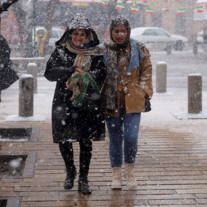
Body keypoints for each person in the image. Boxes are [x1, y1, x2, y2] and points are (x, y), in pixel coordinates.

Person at [44, 13, 106, 195]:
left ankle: (84, 179)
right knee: (64, 139)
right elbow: (49, 73)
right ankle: (70, 171)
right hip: (64, 101)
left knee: (85, 141)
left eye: (82, 34)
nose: (78, 38)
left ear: (88, 36)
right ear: (69, 34)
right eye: (75, 34)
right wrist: (70, 71)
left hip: (87, 102)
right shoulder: (61, 51)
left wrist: (87, 76)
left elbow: (102, 73)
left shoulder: (95, 52)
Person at [101, 16, 153, 190]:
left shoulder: (139, 49)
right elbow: (97, 74)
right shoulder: (103, 50)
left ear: (128, 31)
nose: (120, 34)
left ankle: (130, 172)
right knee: (115, 138)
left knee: (131, 137)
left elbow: (147, 71)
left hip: (133, 100)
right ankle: (116, 174)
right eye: (116, 31)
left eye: (123, 31)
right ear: (111, 31)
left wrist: (144, 92)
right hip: (111, 100)